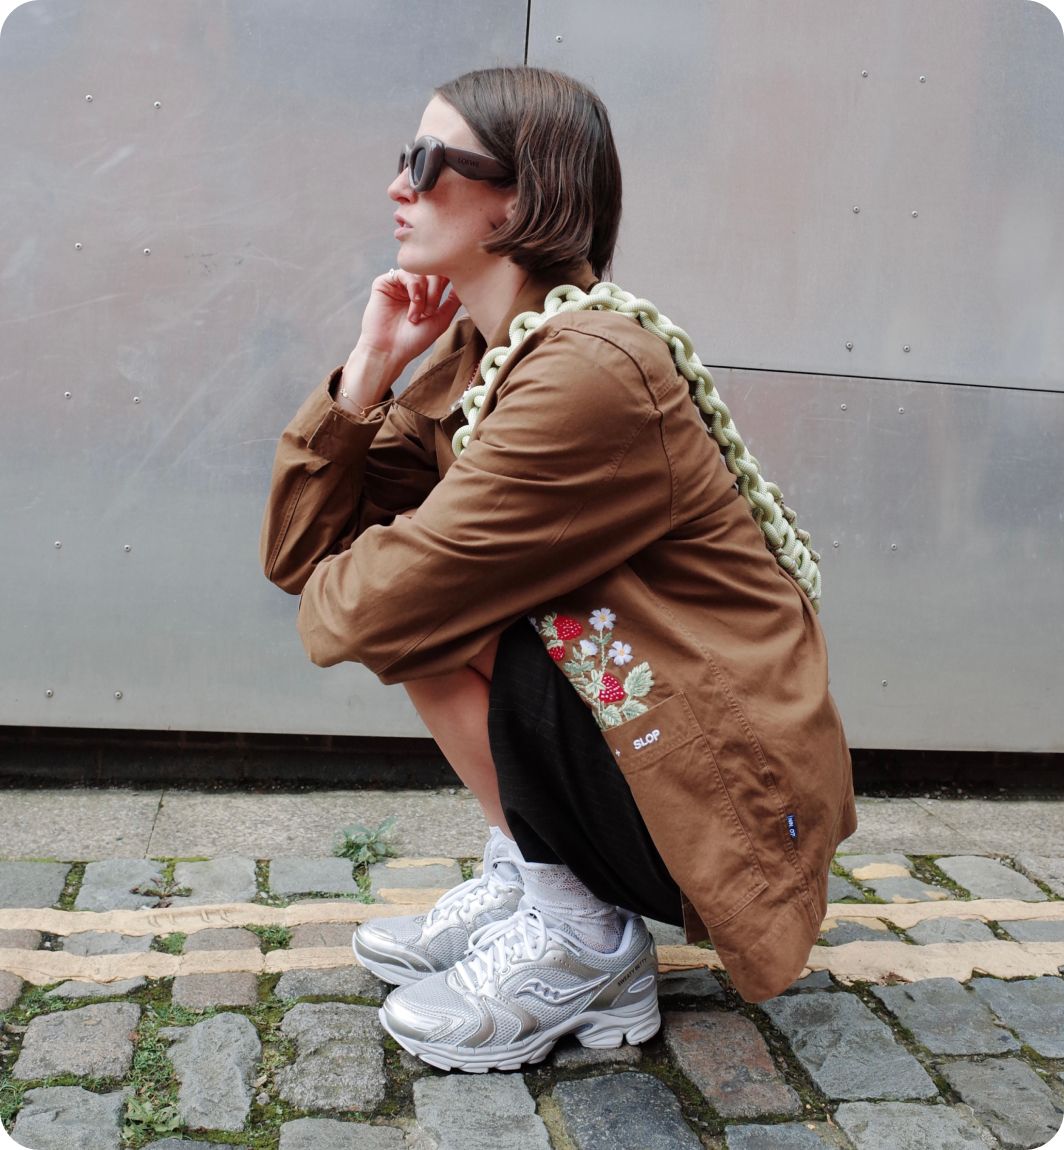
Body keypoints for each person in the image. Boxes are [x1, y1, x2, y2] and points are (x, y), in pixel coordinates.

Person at [260, 66, 856, 1073]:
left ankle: (580, 939)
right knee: (422, 600)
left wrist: (375, 574)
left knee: (424, 613)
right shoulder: (481, 350)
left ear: (520, 199)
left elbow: (359, 608)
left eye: (426, 162)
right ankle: (532, 870)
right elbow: (297, 557)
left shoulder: (586, 370)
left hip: (719, 790)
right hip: (648, 740)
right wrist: (368, 374)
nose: (397, 186)